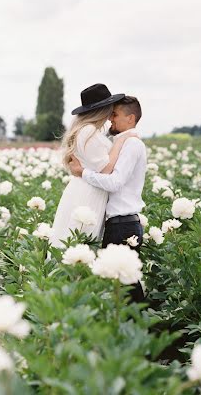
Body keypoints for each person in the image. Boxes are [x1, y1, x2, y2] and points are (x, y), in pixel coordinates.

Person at [68, 96, 146, 303]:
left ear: (130, 118)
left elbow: (115, 182)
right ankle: (144, 326)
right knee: (123, 285)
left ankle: (147, 328)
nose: (111, 119)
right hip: (121, 224)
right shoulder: (123, 142)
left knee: (124, 287)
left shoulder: (131, 144)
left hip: (123, 224)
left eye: (115, 115)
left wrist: (82, 172)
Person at [50, 84, 137, 248]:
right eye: (111, 109)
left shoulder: (87, 130)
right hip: (88, 193)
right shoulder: (88, 131)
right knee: (80, 241)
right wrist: (121, 140)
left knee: (76, 241)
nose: (112, 114)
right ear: (103, 109)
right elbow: (106, 168)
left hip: (85, 188)